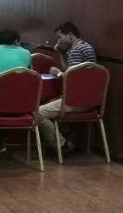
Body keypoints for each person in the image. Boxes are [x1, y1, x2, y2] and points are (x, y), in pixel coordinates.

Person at [38, 23, 98, 152]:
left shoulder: (76, 50)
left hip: (78, 101)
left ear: (70, 35)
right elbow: (70, 71)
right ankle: (67, 135)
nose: (58, 41)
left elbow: (71, 79)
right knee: (50, 102)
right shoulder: (85, 47)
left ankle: (62, 145)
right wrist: (61, 52)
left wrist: (57, 73)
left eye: (60, 37)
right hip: (92, 99)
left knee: (38, 112)